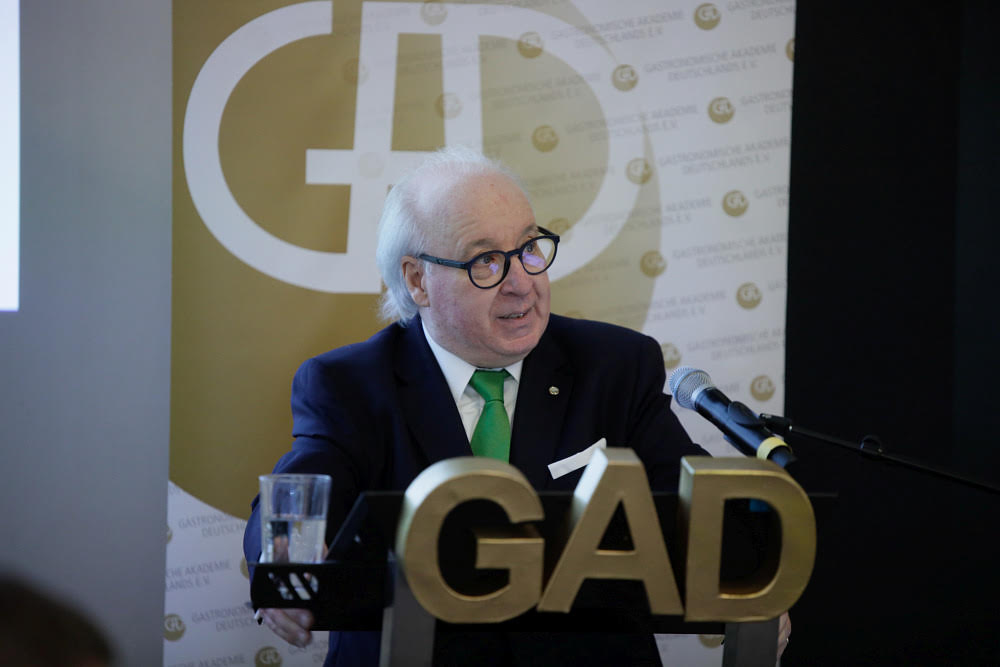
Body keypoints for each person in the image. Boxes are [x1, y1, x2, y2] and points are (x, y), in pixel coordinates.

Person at [244, 147, 790, 665]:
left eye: (530, 248)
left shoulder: (614, 366)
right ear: (417, 281)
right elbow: (295, 498)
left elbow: (695, 502)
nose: (522, 283)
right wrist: (282, 557)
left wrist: (744, 575)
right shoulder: (351, 386)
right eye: (486, 260)